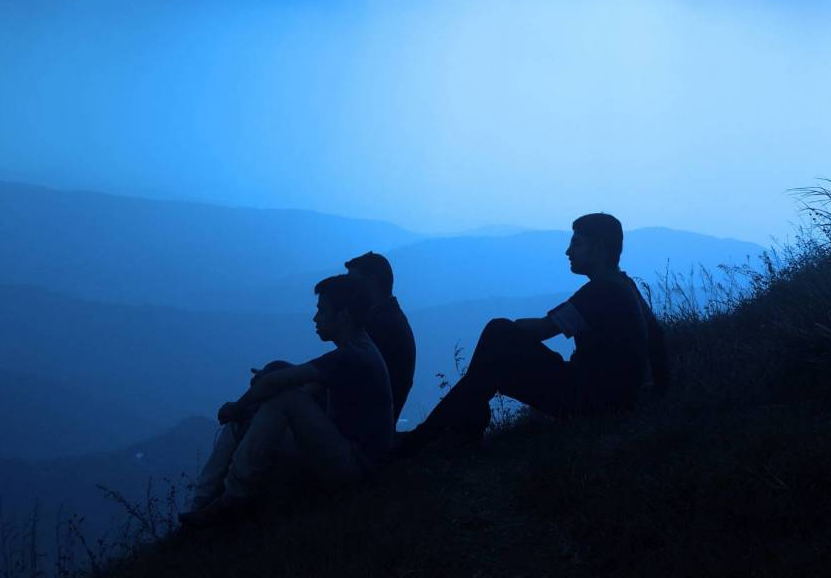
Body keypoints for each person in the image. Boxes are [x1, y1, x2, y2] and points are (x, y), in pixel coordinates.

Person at [394, 213, 669, 456]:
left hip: (589, 402)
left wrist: (506, 331)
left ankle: (429, 438)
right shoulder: (625, 285)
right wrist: (655, 395)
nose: (568, 251)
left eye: (576, 243)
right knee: (493, 351)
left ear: (598, 248)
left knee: (497, 332)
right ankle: (443, 435)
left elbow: (544, 329)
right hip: (613, 400)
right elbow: (656, 341)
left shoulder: (601, 293)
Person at [181, 274, 393, 529]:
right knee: (255, 410)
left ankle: (232, 498)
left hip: (357, 467)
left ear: (344, 315)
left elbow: (282, 383)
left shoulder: (353, 357)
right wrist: (273, 373)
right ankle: (202, 504)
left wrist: (237, 406)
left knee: (283, 399)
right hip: (346, 453)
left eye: (322, 311)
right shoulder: (358, 351)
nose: (316, 318)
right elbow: (301, 378)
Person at [344, 251, 416, 423]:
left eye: (352, 284)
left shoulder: (379, 326)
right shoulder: (389, 318)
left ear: (372, 282)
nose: (346, 290)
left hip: (364, 429)